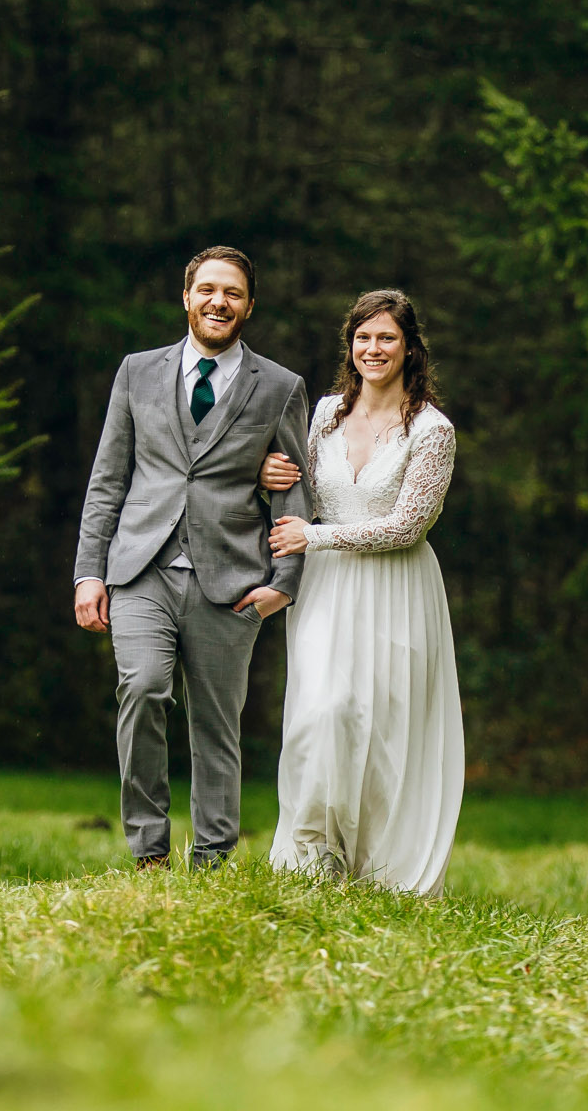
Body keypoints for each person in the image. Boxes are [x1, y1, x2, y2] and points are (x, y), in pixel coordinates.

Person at [73, 247, 312, 869]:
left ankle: (212, 858)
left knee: (216, 725)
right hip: (140, 568)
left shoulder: (280, 387)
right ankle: (148, 851)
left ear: (249, 306)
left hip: (232, 579)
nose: (218, 302)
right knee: (144, 688)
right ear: (186, 297)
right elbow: (108, 478)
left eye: (232, 293)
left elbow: (291, 487)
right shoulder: (137, 372)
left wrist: (283, 581)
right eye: (207, 290)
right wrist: (89, 573)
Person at [257, 288, 463, 894]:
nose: (374, 349)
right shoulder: (323, 414)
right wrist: (269, 473)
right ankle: (311, 857)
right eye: (364, 337)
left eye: (387, 338)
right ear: (351, 345)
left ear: (409, 348)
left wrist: (313, 539)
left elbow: (408, 525)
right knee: (321, 713)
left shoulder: (432, 430)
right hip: (326, 590)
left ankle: (381, 867)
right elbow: (296, 492)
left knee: (384, 726)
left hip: (396, 588)